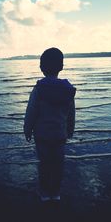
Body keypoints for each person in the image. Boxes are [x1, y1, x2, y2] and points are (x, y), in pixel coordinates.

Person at [24, 47, 76, 202]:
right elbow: (71, 113)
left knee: (45, 164)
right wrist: (70, 130)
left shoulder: (39, 89)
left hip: (42, 136)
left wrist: (27, 129)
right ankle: (56, 193)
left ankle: (45, 193)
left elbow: (31, 112)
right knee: (58, 164)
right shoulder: (68, 90)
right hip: (60, 135)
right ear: (61, 66)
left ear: (41, 67)